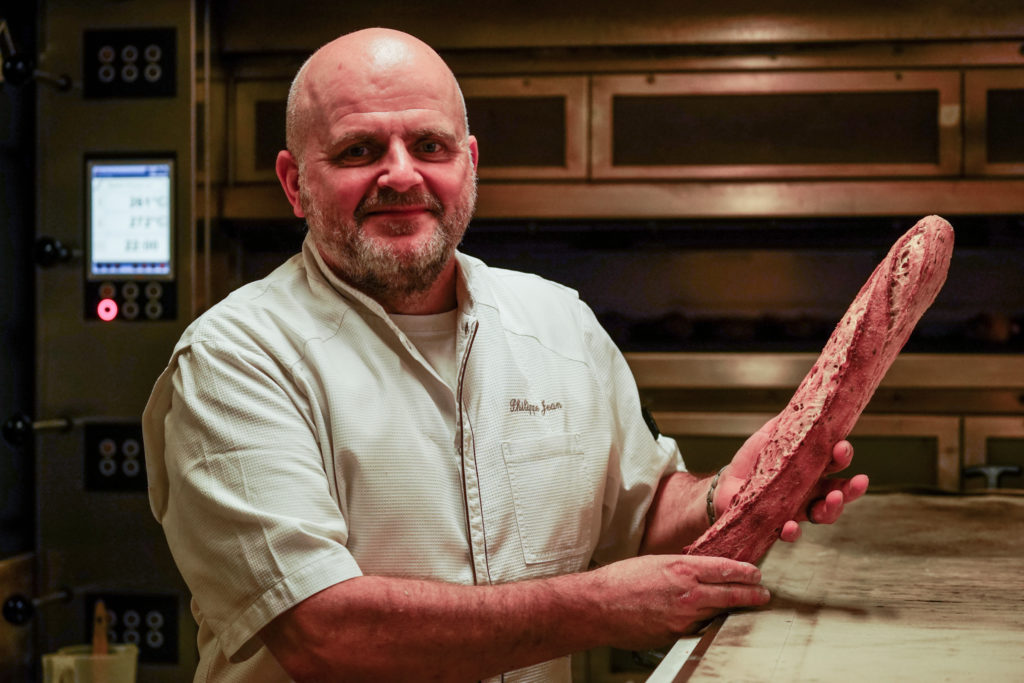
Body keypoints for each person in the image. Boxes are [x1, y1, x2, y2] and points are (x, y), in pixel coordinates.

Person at [142, 27, 868, 683]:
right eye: (359, 151)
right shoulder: (235, 360)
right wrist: (603, 607)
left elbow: (638, 516)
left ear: (470, 162)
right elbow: (326, 631)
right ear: (294, 183)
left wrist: (726, 494)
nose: (402, 175)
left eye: (430, 145)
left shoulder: (559, 322)